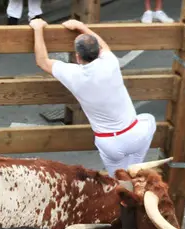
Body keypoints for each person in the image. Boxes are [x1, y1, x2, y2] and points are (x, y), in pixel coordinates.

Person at [29, 18, 156, 178]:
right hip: (136, 134)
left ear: (77, 56)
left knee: (119, 183)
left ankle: (127, 181)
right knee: (148, 119)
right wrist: (81, 26)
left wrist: (37, 28)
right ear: (97, 51)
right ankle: (136, 168)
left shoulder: (73, 75)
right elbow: (105, 47)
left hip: (110, 142)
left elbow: (42, 61)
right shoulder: (110, 63)